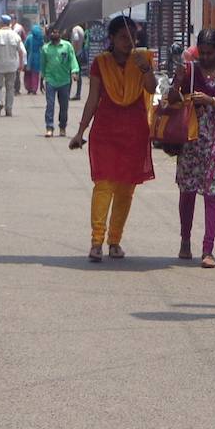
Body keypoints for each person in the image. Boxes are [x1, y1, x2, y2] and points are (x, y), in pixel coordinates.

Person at [68, 16, 156, 261]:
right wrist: (80, 131)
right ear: (112, 39)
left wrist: (145, 68)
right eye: (123, 38)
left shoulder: (143, 59)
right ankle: (96, 241)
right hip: (105, 131)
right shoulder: (100, 63)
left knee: (126, 189)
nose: (129, 42)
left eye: (132, 38)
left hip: (134, 132)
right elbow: (93, 98)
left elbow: (151, 88)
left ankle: (115, 240)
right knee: (104, 185)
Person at [169, 28, 215, 268]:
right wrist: (178, 82)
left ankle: (208, 249)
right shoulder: (189, 72)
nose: (206, 57)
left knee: (213, 194)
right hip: (191, 139)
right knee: (187, 192)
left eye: (210, 53)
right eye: (202, 53)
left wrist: (210, 101)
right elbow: (171, 99)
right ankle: (185, 240)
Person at [39, 26, 78, 137]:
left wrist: (74, 71)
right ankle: (49, 127)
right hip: (50, 80)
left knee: (64, 105)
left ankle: (62, 126)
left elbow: (73, 60)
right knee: (50, 104)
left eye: (56, 32)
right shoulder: (45, 48)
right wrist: (41, 79)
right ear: (49, 34)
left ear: (61, 33)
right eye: (52, 32)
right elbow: (43, 65)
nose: (54, 34)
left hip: (64, 80)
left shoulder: (67, 46)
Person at [0, 14, 24, 117]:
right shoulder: (15, 35)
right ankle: (8, 109)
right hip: (12, 65)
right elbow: (21, 52)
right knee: (10, 88)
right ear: (9, 23)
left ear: (0, 23)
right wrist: (21, 64)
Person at [24, 23, 45, 95]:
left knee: (28, 73)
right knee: (35, 74)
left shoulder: (29, 37)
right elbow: (42, 46)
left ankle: (28, 88)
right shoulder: (40, 38)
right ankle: (34, 88)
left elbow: (25, 46)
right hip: (38, 57)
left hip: (29, 56)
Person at [70, 24, 86, 100]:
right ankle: (78, 93)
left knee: (71, 73)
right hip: (80, 52)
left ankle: (72, 93)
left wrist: (74, 52)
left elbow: (76, 40)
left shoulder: (75, 29)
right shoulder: (81, 29)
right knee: (78, 74)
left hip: (76, 54)